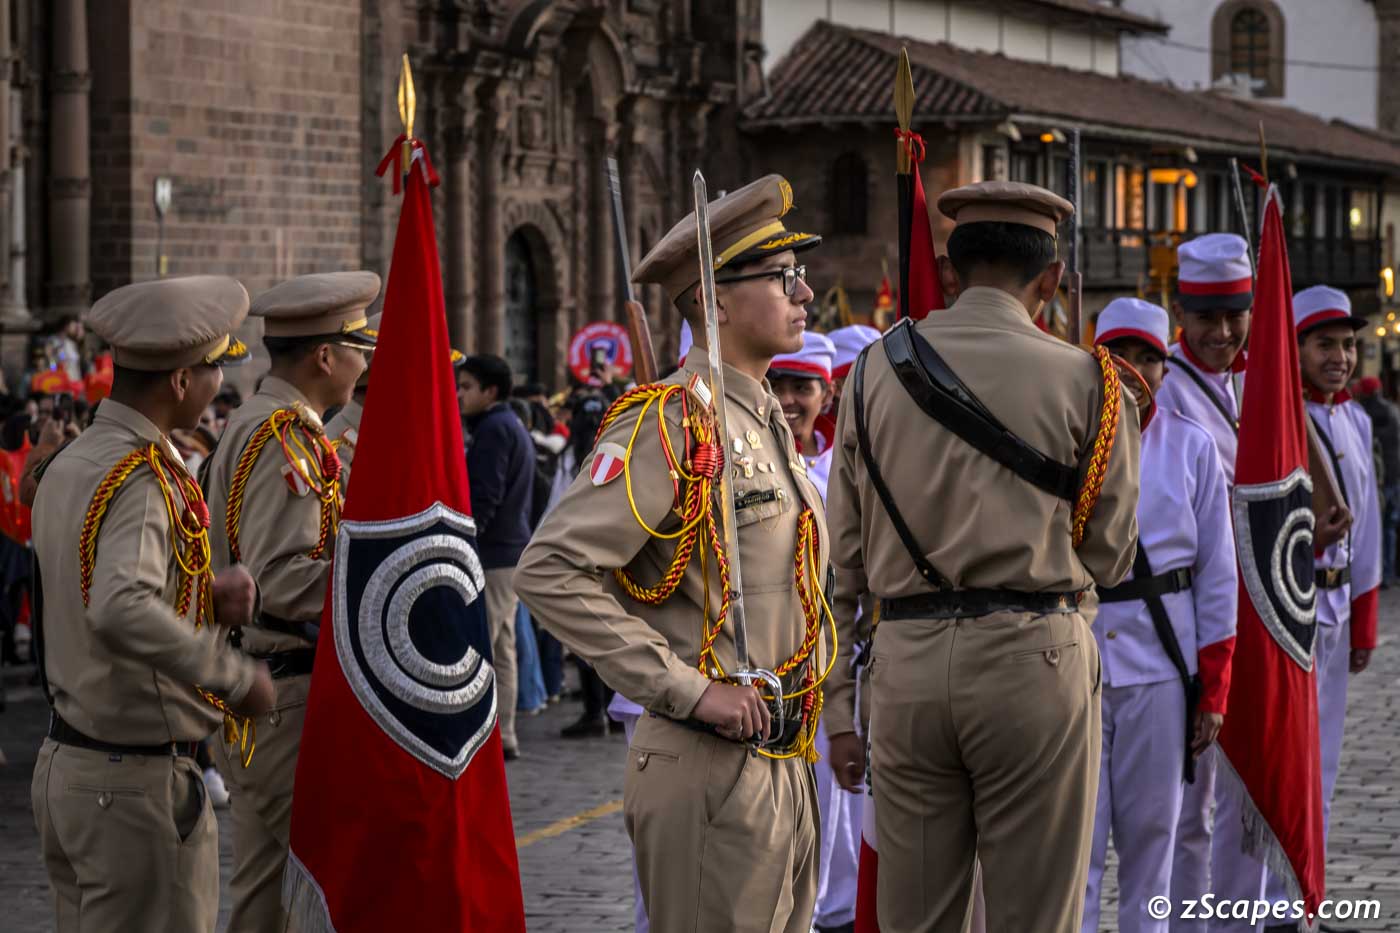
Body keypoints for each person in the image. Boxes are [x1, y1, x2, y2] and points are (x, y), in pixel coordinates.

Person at [824, 180, 1140, 933]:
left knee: (916, 918)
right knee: (1035, 914)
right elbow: (1112, 556)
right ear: (1051, 280)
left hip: (906, 663)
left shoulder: (870, 371)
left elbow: (842, 561)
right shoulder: (1091, 381)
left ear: (950, 269)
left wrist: (838, 707)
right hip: (1034, 659)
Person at [517, 174, 829, 933]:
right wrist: (686, 689)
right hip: (710, 757)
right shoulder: (671, 421)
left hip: (785, 757)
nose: (805, 293)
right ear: (716, 302)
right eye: (783, 276)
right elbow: (550, 570)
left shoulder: (761, 420)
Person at [29, 276, 275, 932]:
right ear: (181, 379)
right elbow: (118, 604)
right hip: (130, 784)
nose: (217, 385)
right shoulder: (140, 475)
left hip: (73, 765)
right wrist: (234, 677)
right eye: (214, 370)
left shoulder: (75, 460)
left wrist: (201, 594)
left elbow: (84, 581)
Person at [202, 271, 378, 933]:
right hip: (285, 693)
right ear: (325, 357)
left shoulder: (269, 421)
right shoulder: (285, 434)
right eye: (358, 348)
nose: (364, 363)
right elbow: (278, 578)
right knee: (299, 892)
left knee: (273, 888)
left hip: (270, 686)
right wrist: (380, 581)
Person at [1080, 298, 1237, 933]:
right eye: (1119, 354)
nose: (1133, 370)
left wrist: (1214, 687)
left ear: (1166, 368)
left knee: (1155, 841)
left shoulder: (1193, 447)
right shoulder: (1067, 436)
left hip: (1161, 667)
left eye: (1148, 357)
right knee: (1077, 847)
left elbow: (1217, 573)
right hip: (1081, 662)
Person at [1250, 287, 1382, 933]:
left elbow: (1370, 526)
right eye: (1324, 344)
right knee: (1283, 761)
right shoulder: (1281, 418)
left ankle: (1303, 901)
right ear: (1295, 348)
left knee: (1322, 765)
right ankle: (1264, 904)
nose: (1340, 357)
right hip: (1290, 605)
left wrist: (1364, 618)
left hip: (1335, 606)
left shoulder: (1355, 419)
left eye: (1348, 345)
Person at [1153, 233, 1251, 928]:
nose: (1220, 333)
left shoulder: (1257, 382)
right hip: (1188, 615)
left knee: (1250, 787)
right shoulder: (1167, 386)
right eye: (1205, 317)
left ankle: (1243, 913)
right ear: (1180, 313)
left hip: (1259, 605)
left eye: (1234, 316)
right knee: (1189, 804)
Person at [769, 330, 860, 933]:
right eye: (776, 383)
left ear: (826, 396)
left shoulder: (841, 474)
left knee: (826, 833)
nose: (787, 399)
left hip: (827, 675)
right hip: (755, 678)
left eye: (802, 387)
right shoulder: (730, 463)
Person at [458, 353, 535, 759]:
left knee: (481, 646)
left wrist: (466, 544)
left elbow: (485, 496)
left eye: (467, 387)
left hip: (492, 553)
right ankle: (504, 733)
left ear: (490, 391)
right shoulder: (509, 424)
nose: (459, 394)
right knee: (502, 647)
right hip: (510, 550)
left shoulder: (494, 429)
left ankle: (484, 734)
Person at [1354, 375, 1400, 586]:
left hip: (1380, 479)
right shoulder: (1392, 409)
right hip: (1395, 476)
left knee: (1376, 527)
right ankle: (1388, 572)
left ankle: (1377, 573)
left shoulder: (1366, 412)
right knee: (1390, 526)